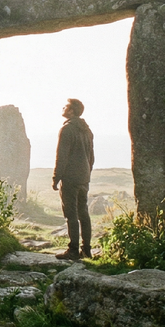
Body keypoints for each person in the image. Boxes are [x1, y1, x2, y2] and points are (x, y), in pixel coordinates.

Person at [52, 98, 94, 260]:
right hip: (84, 177)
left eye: (66, 106)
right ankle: (87, 250)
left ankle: (73, 250)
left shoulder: (67, 129)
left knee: (71, 214)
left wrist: (56, 177)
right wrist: (87, 173)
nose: (63, 108)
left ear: (71, 111)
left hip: (70, 177)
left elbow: (62, 156)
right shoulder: (87, 130)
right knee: (83, 212)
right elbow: (91, 157)